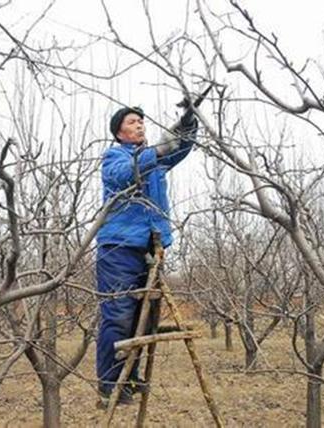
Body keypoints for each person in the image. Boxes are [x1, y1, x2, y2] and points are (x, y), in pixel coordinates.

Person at [95, 105, 198, 406]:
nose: (140, 125)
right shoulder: (116, 157)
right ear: (119, 132)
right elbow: (125, 175)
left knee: (145, 317)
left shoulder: (155, 160)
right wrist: (158, 149)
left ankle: (129, 374)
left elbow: (179, 150)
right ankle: (109, 382)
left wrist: (188, 125)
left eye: (142, 121)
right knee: (118, 315)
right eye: (132, 122)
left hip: (151, 248)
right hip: (119, 248)